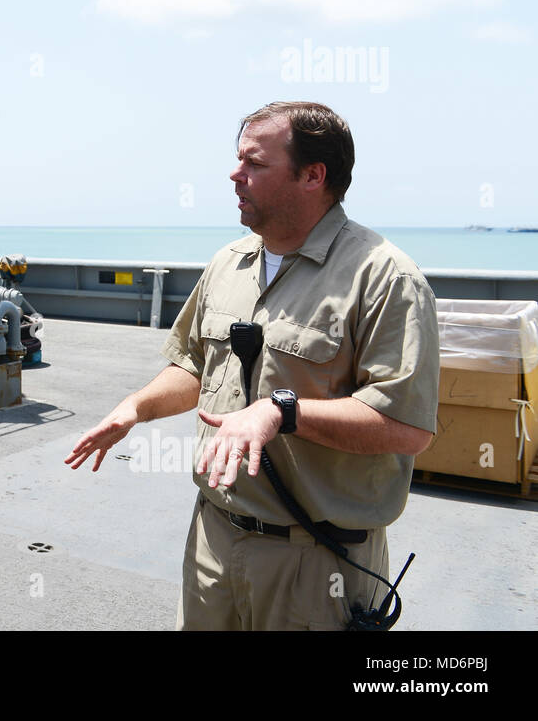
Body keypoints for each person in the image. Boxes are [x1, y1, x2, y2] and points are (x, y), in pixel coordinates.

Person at [65, 101, 439, 630]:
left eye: (254, 164)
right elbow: (196, 368)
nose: (235, 175)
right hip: (214, 540)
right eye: (238, 161)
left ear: (313, 175)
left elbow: (406, 428)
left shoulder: (383, 278)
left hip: (314, 561)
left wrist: (281, 412)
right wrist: (136, 408)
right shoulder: (229, 263)